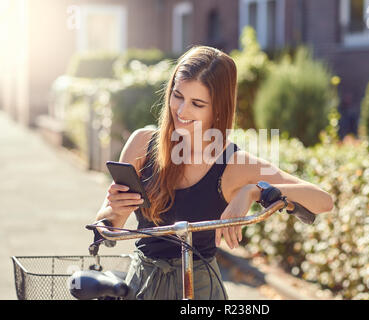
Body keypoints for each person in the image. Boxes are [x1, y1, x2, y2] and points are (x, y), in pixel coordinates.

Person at [93, 45, 333, 300]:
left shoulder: (234, 163)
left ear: (218, 109)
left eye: (197, 103)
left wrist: (254, 191)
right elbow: (109, 226)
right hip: (143, 285)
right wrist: (113, 211)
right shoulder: (142, 143)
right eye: (177, 96)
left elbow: (323, 201)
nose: (182, 111)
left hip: (200, 290)